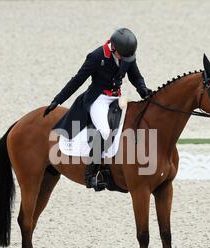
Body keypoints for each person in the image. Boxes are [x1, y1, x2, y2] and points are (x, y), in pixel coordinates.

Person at [44, 27, 152, 190]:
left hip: (116, 98)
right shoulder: (96, 56)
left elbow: (135, 75)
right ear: (113, 48)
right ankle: (91, 174)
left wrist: (142, 89)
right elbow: (78, 79)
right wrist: (58, 100)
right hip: (98, 99)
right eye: (123, 56)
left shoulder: (126, 55)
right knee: (105, 132)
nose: (125, 60)